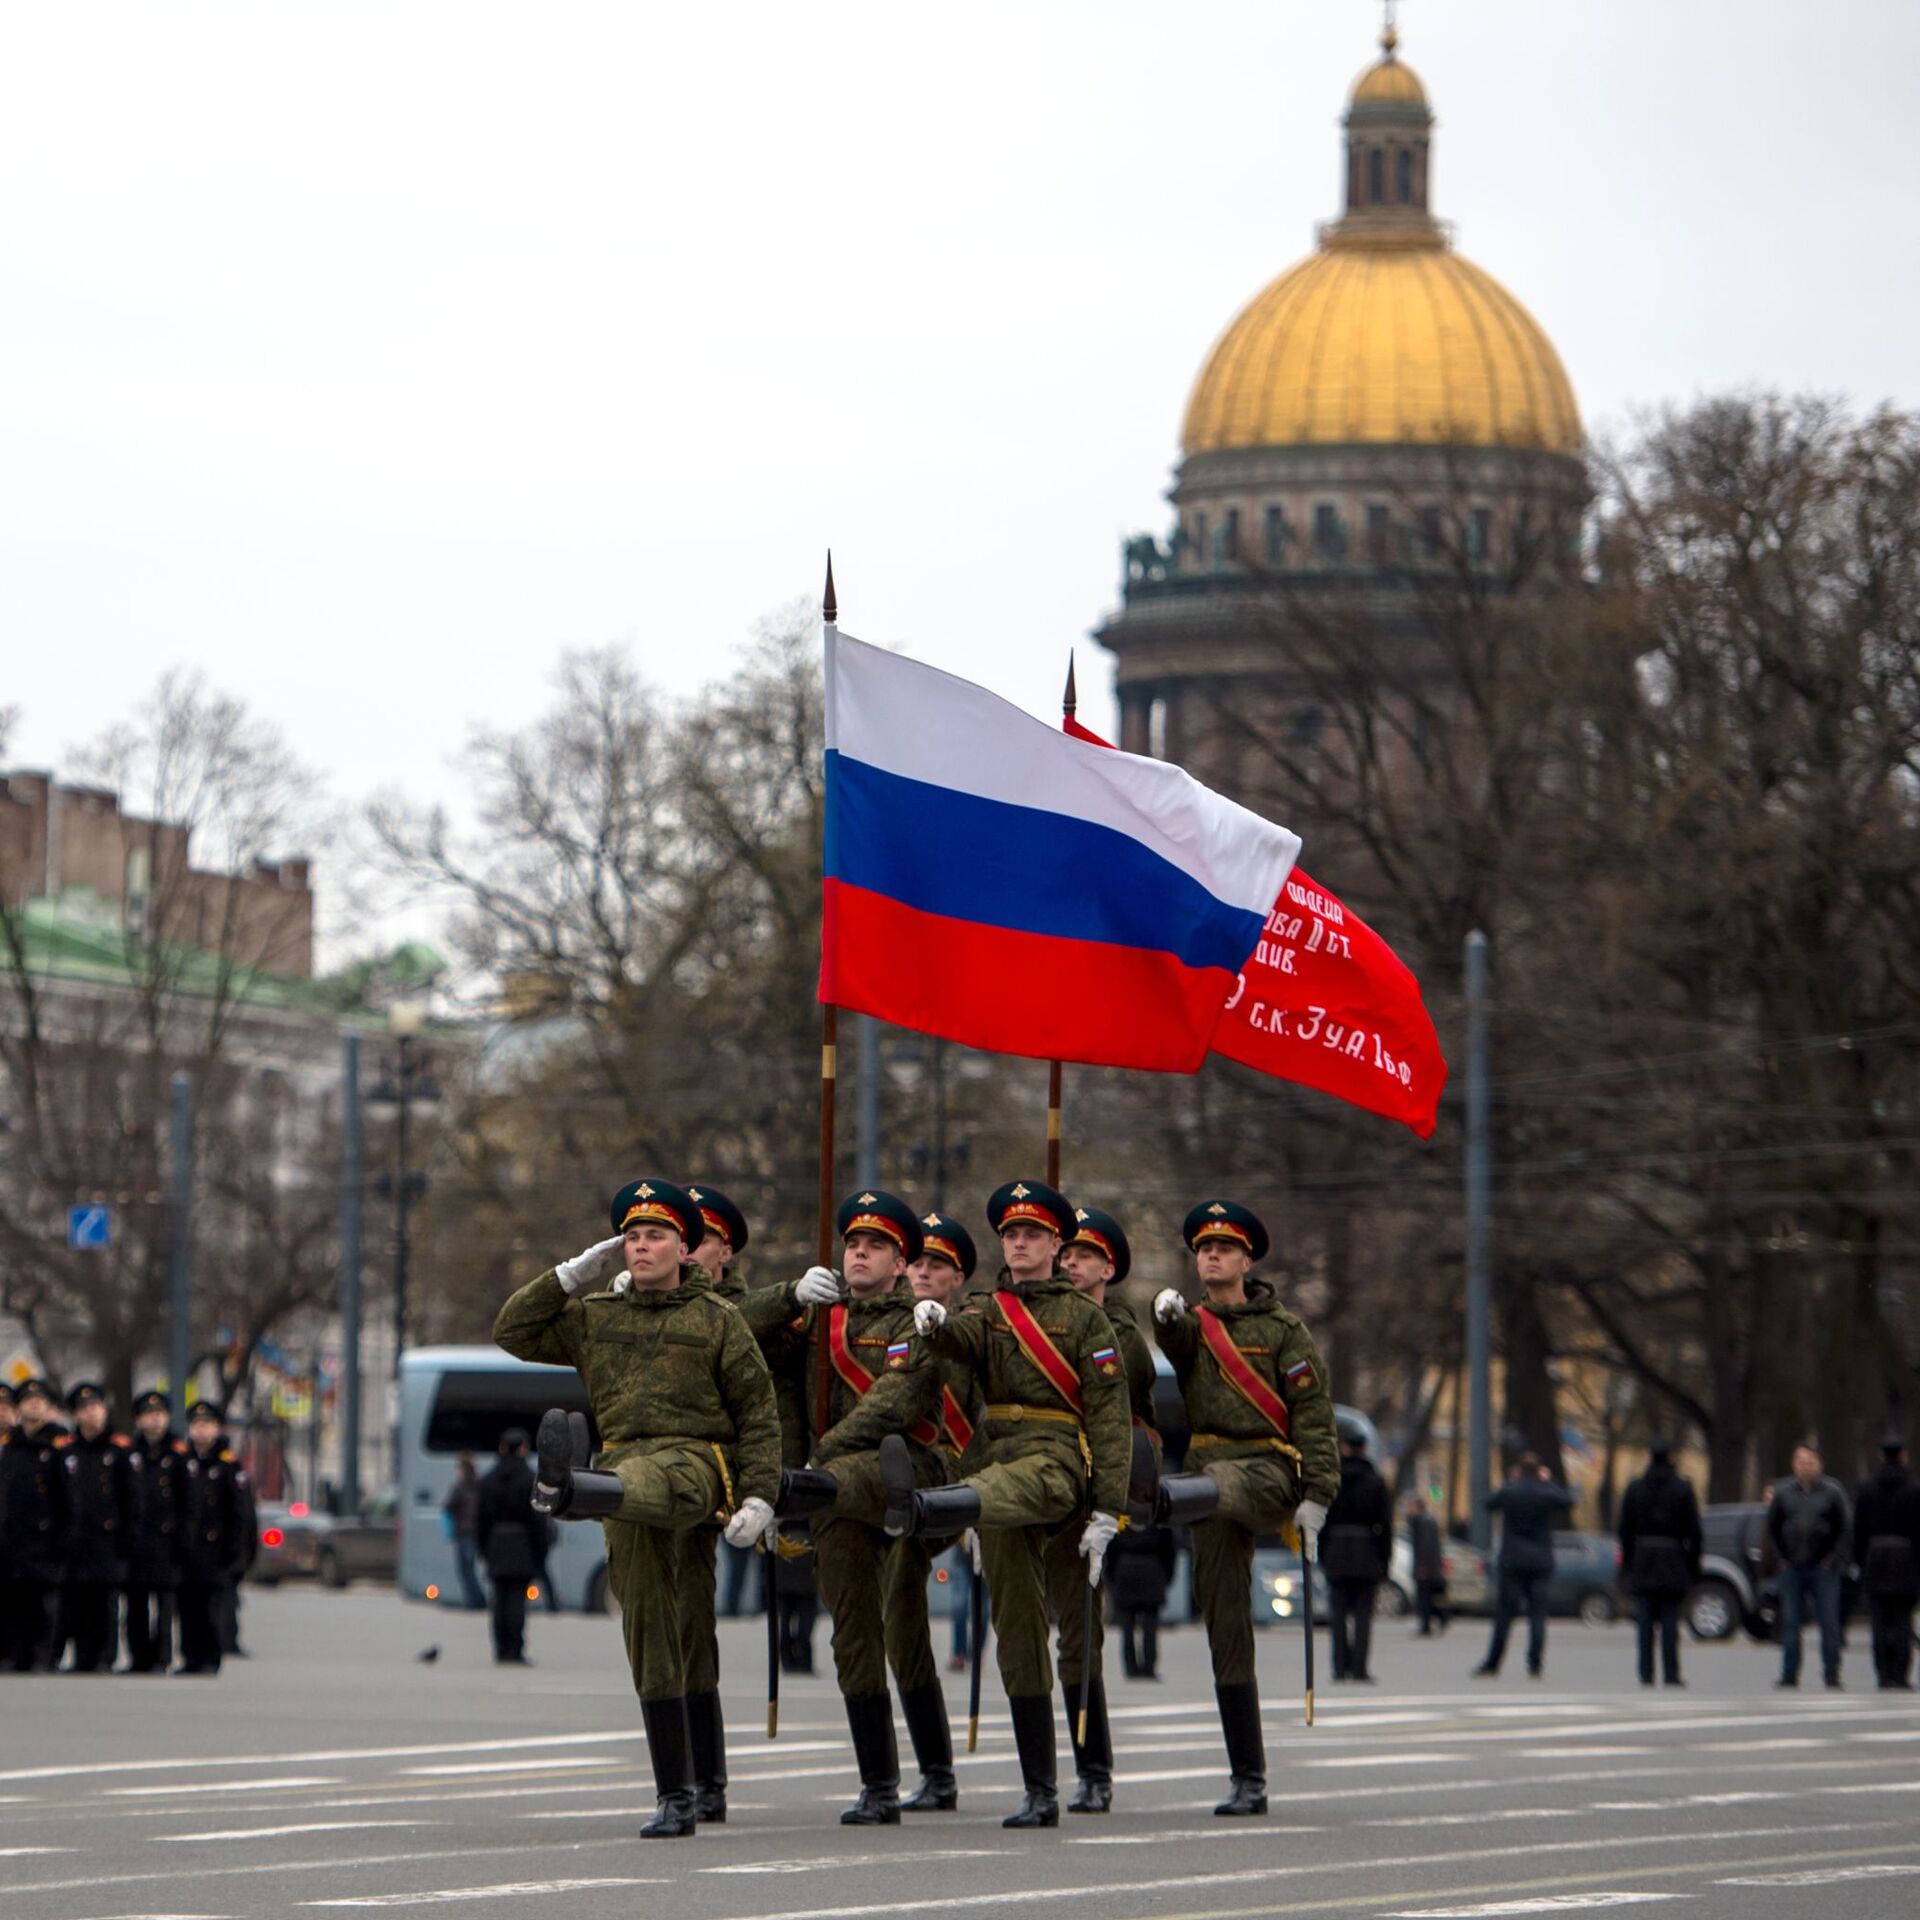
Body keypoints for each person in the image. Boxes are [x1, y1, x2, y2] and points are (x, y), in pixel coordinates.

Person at [493, 1177, 781, 1839]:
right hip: (623, 1474)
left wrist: (760, 1494)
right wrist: (568, 1277)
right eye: (632, 1236)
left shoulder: (718, 1319)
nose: (641, 1245)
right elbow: (512, 1330)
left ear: (683, 1247)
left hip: (694, 1466)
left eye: (656, 1235)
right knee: (653, 1628)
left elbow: (759, 1415)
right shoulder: (598, 1316)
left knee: (651, 1494)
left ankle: (573, 1490)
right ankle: (678, 1794)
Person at [878, 1178, 1132, 1829]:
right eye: (1012, 1234)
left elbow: (1110, 1417)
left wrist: (1109, 1506)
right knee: (1016, 1633)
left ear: (1055, 1244)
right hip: (997, 1464)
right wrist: (935, 1325)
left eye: (1032, 1235)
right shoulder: (989, 1310)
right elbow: (962, 1341)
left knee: (1078, 1634)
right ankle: (1039, 1789)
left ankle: (1094, 1771)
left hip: (1058, 1460)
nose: (1019, 1243)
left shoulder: (1086, 1319)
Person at [739, 1190, 958, 1825]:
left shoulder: (916, 1320)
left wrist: (812, 1467)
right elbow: (736, 1334)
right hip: (835, 1494)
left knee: (906, 1630)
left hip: (903, 1473)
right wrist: (787, 1297)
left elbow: (895, 1401)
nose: (860, 1254)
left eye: (877, 1247)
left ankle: (938, 1772)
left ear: (900, 1263)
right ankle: (879, 1786)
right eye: (853, 1244)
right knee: (853, 1637)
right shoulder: (819, 1320)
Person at [1141, 1200, 1339, 1817]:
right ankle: (1247, 1777)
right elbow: (1176, 1344)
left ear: (1246, 1260)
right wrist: (1164, 1316)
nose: (1212, 1256)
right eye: (1204, 1249)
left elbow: (1313, 1416)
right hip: (1208, 1479)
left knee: (1218, 1484)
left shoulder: (1283, 1331)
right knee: (1224, 1626)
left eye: (1223, 1248)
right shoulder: (1194, 1326)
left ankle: (1163, 1497)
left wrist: (1319, 1495)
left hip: (1268, 1468)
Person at [1045, 1203, 1156, 1810]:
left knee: (1079, 1636)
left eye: (1084, 1255)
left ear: (1108, 1268)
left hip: (1090, 1491)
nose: (1071, 1263)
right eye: (1066, 1253)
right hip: (1037, 1478)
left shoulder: (1119, 1334)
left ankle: (1094, 1769)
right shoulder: (1038, 1318)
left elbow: (1120, 1399)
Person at [674, 1183, 751, 1823]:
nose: (688, 1250)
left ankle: (707, 1780)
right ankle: (678, 1778)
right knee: (662, 1631)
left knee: (694, 1628)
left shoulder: (737, 1312)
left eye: (700, 1241)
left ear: (724, 1252)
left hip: (710, 1478)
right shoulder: (645, 1304)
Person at [905, 1218, 985, 1678]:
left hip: (957, 1477)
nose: (923, 1272)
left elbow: (983, 1415)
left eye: (935, 1265)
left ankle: (965, 1650)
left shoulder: (971, 1335)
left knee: (967, 1583)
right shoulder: (886, 1325)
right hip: (903, 1474)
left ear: (956, 1277)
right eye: (916, 1262)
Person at [1472, 1451, 1574, 1680]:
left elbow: (1488, 1503)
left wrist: (1510, 1482)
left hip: (1513, 1561)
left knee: (1504, 1615)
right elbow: (1567, 1501)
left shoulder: (1511, 1490)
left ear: (1518, 1470)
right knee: (1538, 1615)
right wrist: (1549, 1481)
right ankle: (1535, 1663)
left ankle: (1493, 1663)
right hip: (1540, 1562)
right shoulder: (1546, 1492)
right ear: (1539, 1471)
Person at [60, 1382, 134, 1673]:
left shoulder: (119, 1451)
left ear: (104, 1411)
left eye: (95, 1407)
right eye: (84, 1409)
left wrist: (126, 1538)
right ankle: (82, 1655)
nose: (90, 1413)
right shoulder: (68, 1452)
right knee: (78, 1599)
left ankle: (105, 1654)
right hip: (77, 1539)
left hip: (108, 1539)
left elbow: (131, 1499)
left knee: (105, 1600)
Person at [0, 1378, 72, 1672]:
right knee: (13, 1600)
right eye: (28, 1402)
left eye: (39, 1402)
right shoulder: (10, 1446)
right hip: (13, 1536)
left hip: (46, 1537)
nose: (33, 1407)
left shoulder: (59, 1445)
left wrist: (63, 1537)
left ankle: (43, 1655)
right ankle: (12, 1654)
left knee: (44, 1602)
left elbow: (68, 1498)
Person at [1617, 1439, 1702, 1688]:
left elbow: (1625, 1529)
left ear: (1649, 1457)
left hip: (1643, 1557)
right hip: (1673, 1558)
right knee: (1670, 1619)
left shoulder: (1635, 1488)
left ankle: (1645, 1672)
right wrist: (1692, 1564)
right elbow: (1694, 1531)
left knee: (1644, 1620)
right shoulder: (1682, 1488)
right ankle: (1671, 1672)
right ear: (1670, 1457)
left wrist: (1628, 1562)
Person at [1766, 1441, 1850, 1690]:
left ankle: (1832, 1673)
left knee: (1829, 1622)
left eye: (1810, 1462)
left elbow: (1844, 1528)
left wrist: (1833, 1558)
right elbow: (1772, 1528)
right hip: (1791, 1567)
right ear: (1794, 1465)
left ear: (1819, 1465)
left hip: (1823, 1568)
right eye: (1801, 1462)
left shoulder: (1832, 1492)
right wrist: (1779, 1558)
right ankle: (1789, 1673)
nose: (1806, 1467)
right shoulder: (1783, 1492)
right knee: (1791, 1622)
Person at [176, 1400, 251, 1676]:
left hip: (215, 1550)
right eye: (197, 1425)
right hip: (187, 1550)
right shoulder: (182, 1462)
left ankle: (210, 1657)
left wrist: (235, 1552)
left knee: (211, 1607)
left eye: (207, 1425)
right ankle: (190, 1657)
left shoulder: (228, 1465)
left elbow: (239, 1513)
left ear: (218, 1429)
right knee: (187, 1606)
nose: (202, 1430)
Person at [125, 1388, 188, 1674]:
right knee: (136, 1603)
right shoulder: (129, 1454)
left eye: (160, 1414)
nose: (155, 1420)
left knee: (165, 1604)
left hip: (167, 1541)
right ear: (138, 1420)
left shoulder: (179, 1455)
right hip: (137, 1541)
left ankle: (162, 1656)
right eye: (149, 1414)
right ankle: (139, 1657)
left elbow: (187, 1501)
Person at [1323, 1419, 1391, 1684]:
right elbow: (1384, 1525)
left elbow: (1323, 1520)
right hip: (1366, 1552)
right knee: (1363, 1615)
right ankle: (1359, 1667)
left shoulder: (1333, 1480)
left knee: (1338, 1614)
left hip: (1337, 1552)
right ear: (1364, 1450)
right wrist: (1384, 1559)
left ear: (1344, 1449)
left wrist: (1323, 1552)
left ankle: (1340, 1667)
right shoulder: (1375, 1481)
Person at [1853, 1435, 1920, 1690]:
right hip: (1906, 1558)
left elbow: (1859, 1530)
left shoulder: (1867, 1488)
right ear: (1903, 1456)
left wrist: (1861, 1561)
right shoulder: (1914, 1489)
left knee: (1879, 1619)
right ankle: (1900, 1674)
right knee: (1903, 1619)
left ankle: (1882, 1673)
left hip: (1875, 1557)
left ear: (1882, 1456)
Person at [476, 1429, 540, 1664]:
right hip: (522, 1545)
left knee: (499, 1598)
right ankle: (515, 1648)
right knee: (517, 1601)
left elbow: (480, 1520)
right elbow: (538, 1522)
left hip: (496, 1544)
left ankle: (500, 1648)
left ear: (502, 1448)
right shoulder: (530, 1480)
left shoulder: (488, 1480)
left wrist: (484, 1548)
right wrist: (539, 1552)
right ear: (523, 1449)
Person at [444, 1453, 485, 1610]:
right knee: (470, 1567)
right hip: (475, 1531)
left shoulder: (460, 1487)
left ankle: (474, 1600)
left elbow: (448, 1505)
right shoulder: (479, 1485)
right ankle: (477, 1599)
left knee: (465, 1569)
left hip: (463, 1531)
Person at [1407, 1497, 1447, 1635]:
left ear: (1418, 1507)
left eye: (1411, 1506)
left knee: (1424, 1597)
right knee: (1426, 1598)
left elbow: (1425, 1545)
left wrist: (1422, 1566)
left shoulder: (1423, 1522)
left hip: (1425, 1567)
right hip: (1428, 1566)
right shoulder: (1425, 1520)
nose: (1409, 1509)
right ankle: (1428, 1623)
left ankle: (1431, 1622)